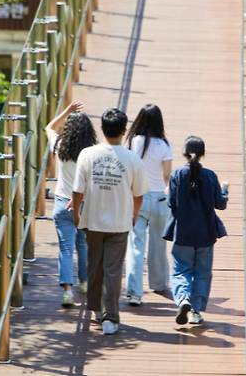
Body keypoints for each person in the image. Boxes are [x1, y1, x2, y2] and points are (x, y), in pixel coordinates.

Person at [71, 108, 150, 335]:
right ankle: (110, 318)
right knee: (113, 270)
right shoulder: (132, 158)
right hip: (119, 222)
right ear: (124, 131)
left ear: (102, 129)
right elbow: (139, 195)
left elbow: (77, 190)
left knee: (95, 267)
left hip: (92, 220)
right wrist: (133, 216)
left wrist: (77, 214)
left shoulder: (88, 154)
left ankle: (96, 309)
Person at [164, 136, 229, 325]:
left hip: (182, 233)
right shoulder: (210, 176)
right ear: (203, 154)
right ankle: (195, 311)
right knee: (202, 272)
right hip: (205, 234)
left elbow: (171, 203)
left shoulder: (177, 175)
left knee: (180, 271)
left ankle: (183, 298)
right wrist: (224, 190)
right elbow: (220, 204)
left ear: (184, 153)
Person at [45, 101, 97, 307]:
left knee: (65, 248)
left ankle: (67, 291)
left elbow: (48, 127)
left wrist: (67, 111)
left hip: (61, 201)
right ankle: (84, 282)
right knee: (83, 243)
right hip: (83, 202)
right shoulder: (92, 152)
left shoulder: (58, 145)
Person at [124, 104, 173, 306]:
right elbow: (167, 175)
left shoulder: (134, 142)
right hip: (159, 199)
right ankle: (159, 283)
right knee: (158, 244)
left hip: (138, 197)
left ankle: (135, 292)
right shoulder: (164, 145)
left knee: (135, 244)